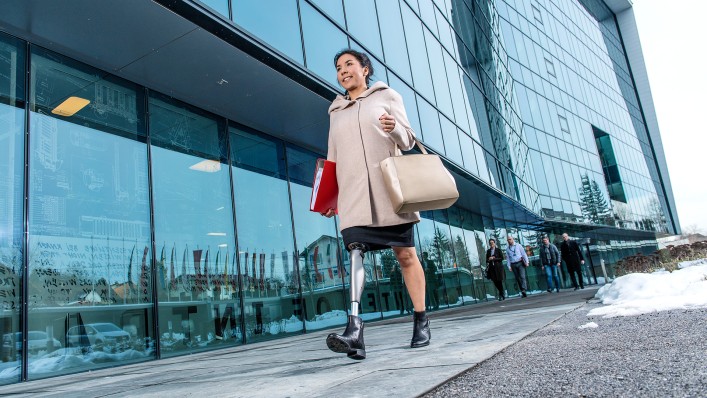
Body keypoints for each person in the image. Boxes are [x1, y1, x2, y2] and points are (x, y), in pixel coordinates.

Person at [321, 49, 430, 360]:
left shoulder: (387, 95)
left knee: (406, 256)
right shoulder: (335, 110)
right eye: (338, 67)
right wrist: (329, 197)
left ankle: (421, 320)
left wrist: (391, 127)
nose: (343, 71)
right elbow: (332, 157)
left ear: (364, 69)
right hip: (353, 195)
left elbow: (408, 141)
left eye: (349, 65)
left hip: (388, 191)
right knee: (356, 252)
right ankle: (354, 329)